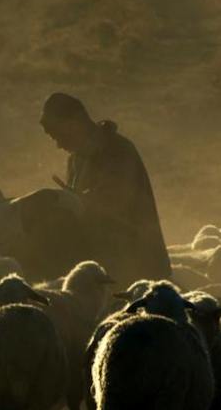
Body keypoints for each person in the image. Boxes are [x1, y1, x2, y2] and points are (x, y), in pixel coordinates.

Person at [39, 93, 172, 286]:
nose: (59, 144)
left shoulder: (118, 150)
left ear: (76, 121)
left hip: (135, 267)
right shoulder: (76, 159)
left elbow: (116, 203)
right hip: (103, 268)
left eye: (61, 135)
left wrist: (75, 201)